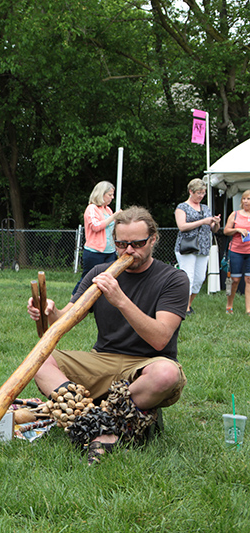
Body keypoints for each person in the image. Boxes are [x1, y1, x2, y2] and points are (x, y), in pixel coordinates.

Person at [28, 206, 188, 464]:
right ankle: (100, 425)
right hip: (103, 359)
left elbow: (160, 338)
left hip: (147, 364)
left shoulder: (174, 279)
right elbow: (65, 320)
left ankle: (97, 423)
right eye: (122, 244)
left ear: (154, 239)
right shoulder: (98, 274)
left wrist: (121, 300)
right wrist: (48, 311)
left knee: (167, 375)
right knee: (39, 358)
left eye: (137, 243)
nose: (128, 251)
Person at [174, 178, 220, 315]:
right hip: (187, 246)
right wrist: (203, 221)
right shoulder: (182, 207)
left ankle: (189, 304)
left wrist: (215, 223)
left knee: (200, 278)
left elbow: (213, 229)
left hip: (204, 247)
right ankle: (183, 308)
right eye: (198, 193)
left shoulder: (205, 208)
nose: (201, 196)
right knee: (188, 277)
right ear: (190, 192)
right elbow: (182, 226)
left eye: (203, 193)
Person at [72, 181, 121, 294]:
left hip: (110, 252)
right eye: (110, 194)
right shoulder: (91, 208)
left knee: (109, 280)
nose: (112, 198)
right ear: (101, 194)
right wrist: (113, 217)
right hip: (94, 252)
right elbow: (96, 226)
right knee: (87, 279)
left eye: (113, 195)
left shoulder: (108, 210)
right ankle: (73, 302)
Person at [223, 189, 250, 314]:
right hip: (236, 251)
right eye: (244, 198)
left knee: (249, 279)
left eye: (248, 199)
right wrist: (237, 229)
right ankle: (229, 306)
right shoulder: (235, 214)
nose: (246, 201)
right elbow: (226, 231)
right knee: (234, 280)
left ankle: (248, 309)